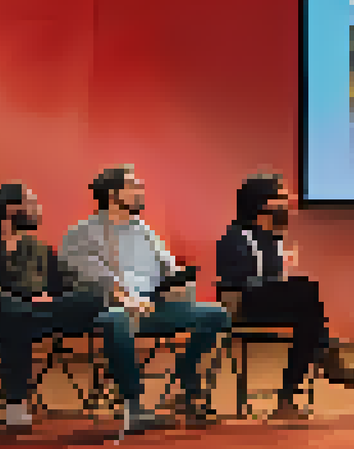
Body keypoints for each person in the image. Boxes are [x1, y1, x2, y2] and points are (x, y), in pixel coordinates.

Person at [60, 165, 231, 432]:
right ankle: (134, 406)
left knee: (216, 314)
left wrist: (179, 284)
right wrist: (125, 300)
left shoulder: (145, 232)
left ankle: (184, 383)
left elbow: (169, 272)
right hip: (107, 310)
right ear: (114, 194)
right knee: (117, 318)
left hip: (150, 308)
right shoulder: (81, 234)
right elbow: (90, 278)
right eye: (134, 187)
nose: (140, 191)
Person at [0, 183, 106, 427]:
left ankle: (31, 315)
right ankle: (15, 403)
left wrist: (55, 298)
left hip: (38, 314)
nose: (38, 210)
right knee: (13, 314)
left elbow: (66, 282)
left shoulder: (38, 248)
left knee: (95, 295)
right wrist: (29, 298)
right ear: (12, 209)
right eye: (32, 204)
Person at [217, 172, 354, 420]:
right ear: (263, 204)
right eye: (282, 198)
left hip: (271, 302)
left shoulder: (275, 239)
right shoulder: (235, 237)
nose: (289, 204)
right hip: (244, 305)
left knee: (308, 320)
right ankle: (325, 354)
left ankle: (287, 400)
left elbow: (278, 280)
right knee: (306, 291)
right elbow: (240, 284)